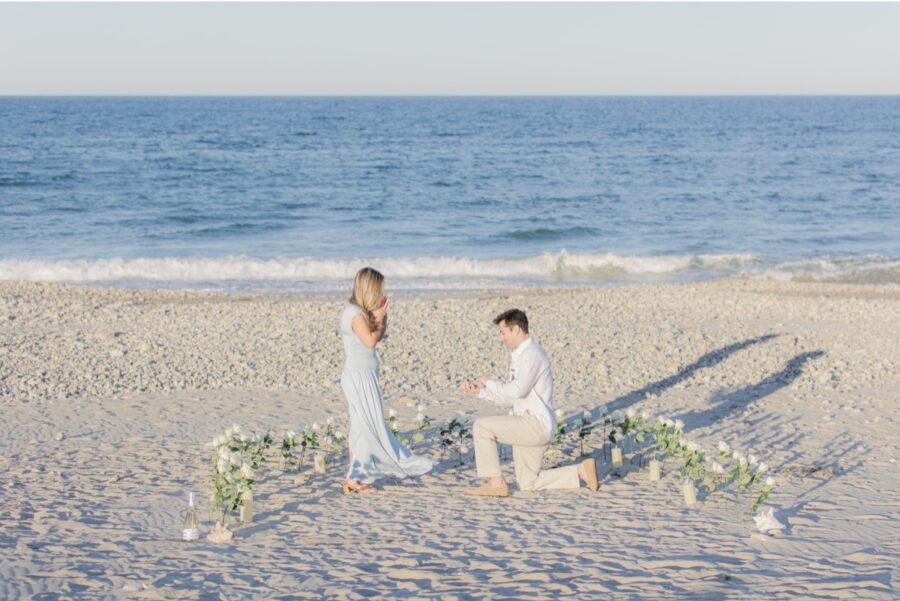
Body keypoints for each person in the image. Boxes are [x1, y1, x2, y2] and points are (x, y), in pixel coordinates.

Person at [463, 309, 598, 497]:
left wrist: (490, 382)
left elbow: (518, 390)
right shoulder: (521, 356)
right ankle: (580, 471)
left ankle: (495, 484)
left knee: (481, 427)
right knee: (528, 483)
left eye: (503, 332)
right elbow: (512, 397)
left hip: (534, 424)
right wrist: (481, 392)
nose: (501, 338)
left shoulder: (531, 355)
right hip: (529, 425)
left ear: (516, 329)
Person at [339, 267, 434, 493]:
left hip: (366, 376)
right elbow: (370, 341)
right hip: (358, 377)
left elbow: (377, 336)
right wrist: (379, 319)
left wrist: (381, 319)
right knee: (364, 426)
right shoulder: (353, 314)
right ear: (369, 289)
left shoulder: (361, 313)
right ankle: (354, 478)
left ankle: (354, 477)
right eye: (379, 289)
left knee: (361, 427)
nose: (382, 293)